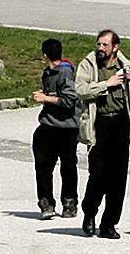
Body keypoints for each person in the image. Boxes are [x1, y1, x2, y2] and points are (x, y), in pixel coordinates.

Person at [76, 28, 130, 240]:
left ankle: (109, 224)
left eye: (105, 45)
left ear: (115, 47)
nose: (100, 48)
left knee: (118, 178)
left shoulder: (125, 65)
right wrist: (106, 84)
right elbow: (81, 90)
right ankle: (89, 212)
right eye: (99, 44)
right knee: (98, 174)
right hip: (99, 124)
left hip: (121, 124)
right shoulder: (89, 64)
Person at [31, 37, 79, 220]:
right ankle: (46, 203)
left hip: (66, 128)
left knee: (68, 167)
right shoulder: (48, 72)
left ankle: (69, 203)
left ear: (45, 55)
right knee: (43, 166)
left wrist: (45, 98)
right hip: (48, 126)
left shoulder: (65, 73)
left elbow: (68, 100)